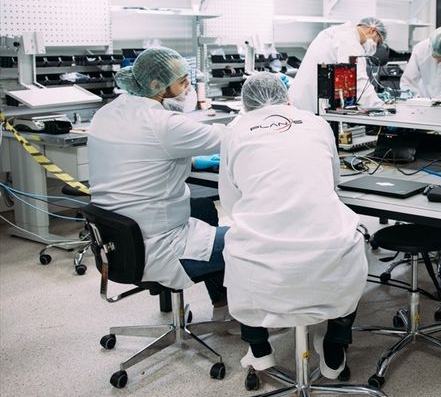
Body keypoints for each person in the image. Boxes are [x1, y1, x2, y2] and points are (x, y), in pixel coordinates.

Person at [219, 73, 368, 377]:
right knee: (353, 241)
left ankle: (259, 349)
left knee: (234, 243)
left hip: (262, 262)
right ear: (287, 97)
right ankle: (335, 345)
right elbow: (333, 181)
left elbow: (231, 203)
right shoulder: (316, 122)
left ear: (245, 106)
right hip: (327, 254)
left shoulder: (234, 131)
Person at [87, 47, 229, 318]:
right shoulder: (163, 123)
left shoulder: (107, 112)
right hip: (160, 247)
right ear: (157, 85)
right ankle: (252, 331)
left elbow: (139, 156)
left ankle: (221, 304)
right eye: (182, 82)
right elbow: (231, 137)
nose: (187, 88)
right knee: (247, 242)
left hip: (117, 241)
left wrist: (194, 161)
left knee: (203, 209)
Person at [287, 17, 387, 113]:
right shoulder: (349, 41)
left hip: (300, 98)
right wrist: (376, 105)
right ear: (372, 31)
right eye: (377, 41)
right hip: (310, 104)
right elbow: (357, 78)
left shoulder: (335, 32)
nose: (374, 46)